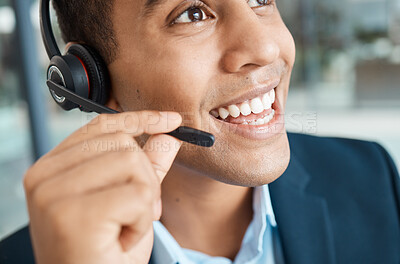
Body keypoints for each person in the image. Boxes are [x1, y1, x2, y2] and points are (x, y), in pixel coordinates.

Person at [1, 0, 400, 263]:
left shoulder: (370, 175)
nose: (264, 48)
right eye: (192, 13)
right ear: (92, 80)